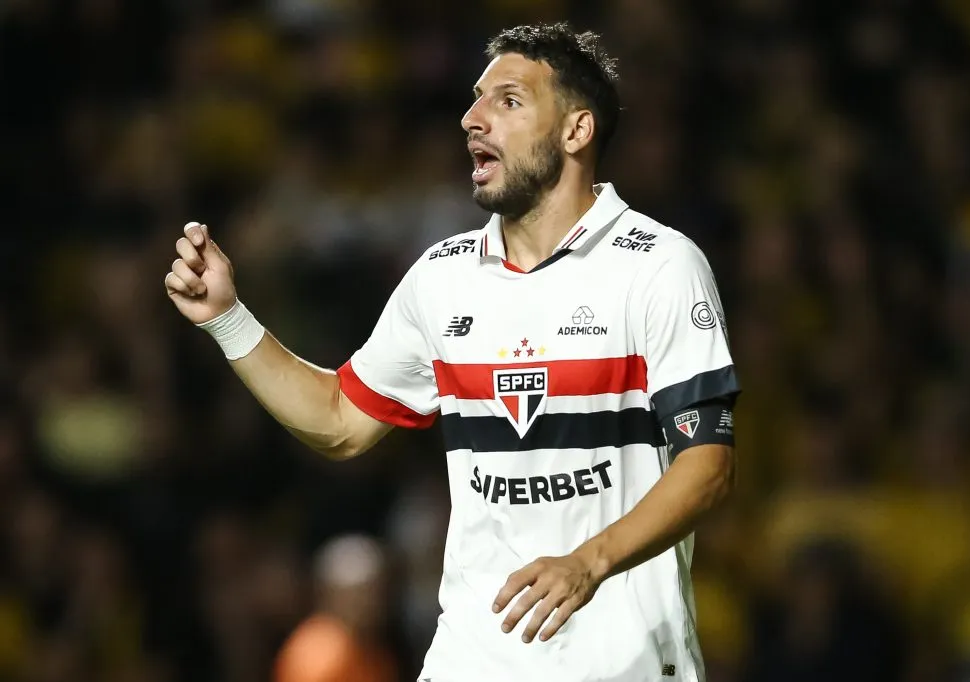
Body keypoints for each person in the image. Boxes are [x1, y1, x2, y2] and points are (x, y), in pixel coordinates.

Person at [165, 22, 740, 682]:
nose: (473, 118)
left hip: (624, 666)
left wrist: (591, 560)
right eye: (475, 99)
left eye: (509, 101)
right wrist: (228, 319)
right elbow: (339, 421)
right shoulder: (442, 279)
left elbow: (707, 468)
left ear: (577, 131)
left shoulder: (658, 268)